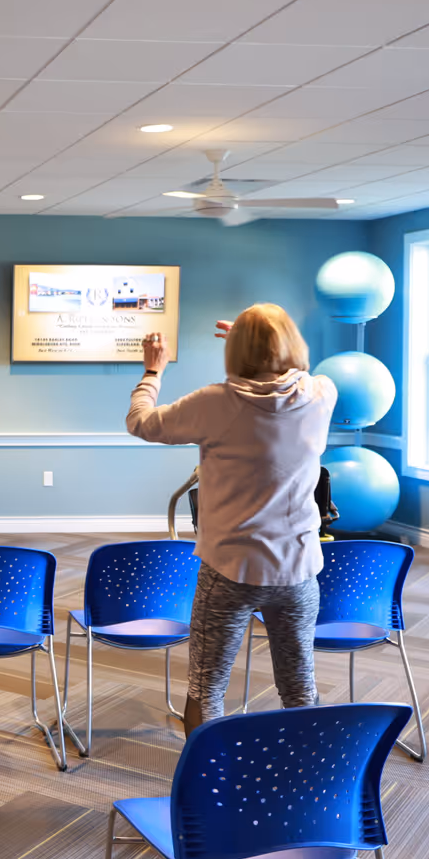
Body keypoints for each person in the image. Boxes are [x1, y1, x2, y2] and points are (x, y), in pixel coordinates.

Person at [125, 305, 337, 732]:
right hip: (298, 569)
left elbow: (141, 422)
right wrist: (263, 339)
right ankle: (306, 770)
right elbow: (296, 369)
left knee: (206, 689)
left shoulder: (216, 402)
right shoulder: (321, 393)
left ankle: (207, 773)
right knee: (300, 687)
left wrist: (152, 372)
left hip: (229, 571)